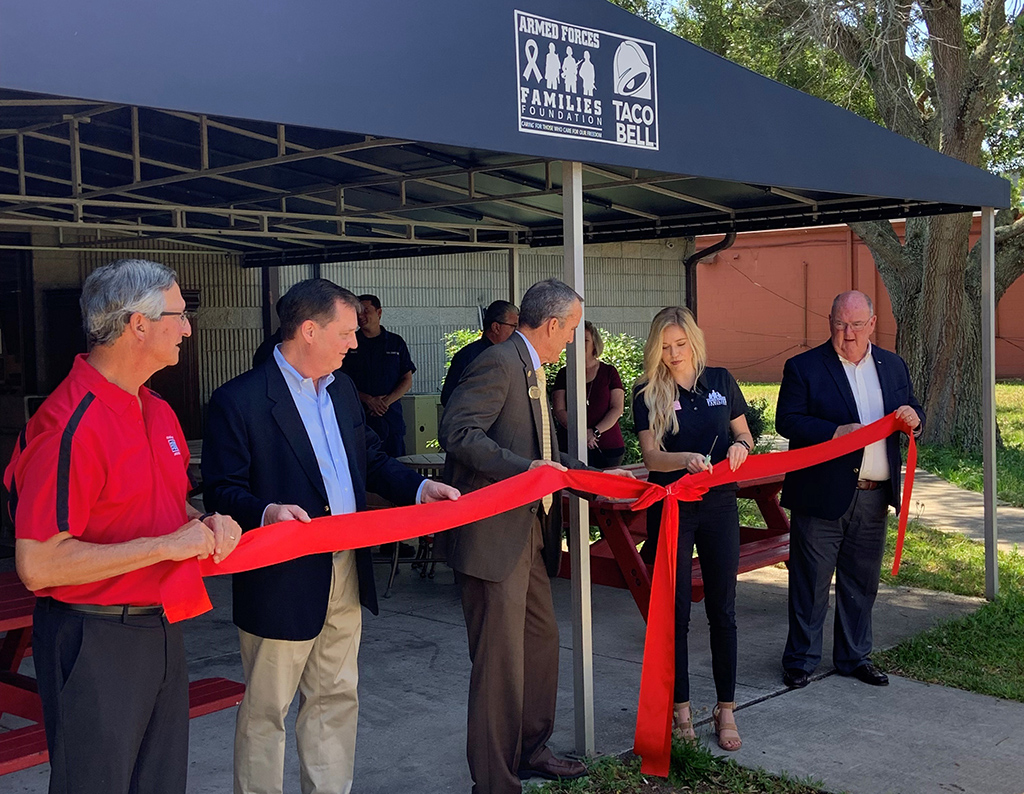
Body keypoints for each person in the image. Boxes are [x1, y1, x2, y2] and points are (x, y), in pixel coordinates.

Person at [202, 279, 459, 794]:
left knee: (336, 697)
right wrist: (266, 511)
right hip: (280, 576)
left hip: (345, 567)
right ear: (310, 330)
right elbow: (221, 492)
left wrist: (419, 485)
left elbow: (370, 457)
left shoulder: (340, 390)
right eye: (346, 332)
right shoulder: (240, 400)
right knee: (266, 710)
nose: (355, 343)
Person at [3, 258, 242, 794]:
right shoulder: (69, 425)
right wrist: (166, 545)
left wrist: (206, 522)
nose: (187, 327)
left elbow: (163, 508)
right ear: (138, 323)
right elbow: (39, 564)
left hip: (160, 626)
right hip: (93, 636)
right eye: (180, 315)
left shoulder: (157, 410)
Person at [441, 279, 631, 793]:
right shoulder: (499, 362)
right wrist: (527, 472)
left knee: (540, 646)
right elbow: (458, 433)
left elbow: (542, 451)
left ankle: (530, 750)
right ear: (552, 325)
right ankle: (495, 781)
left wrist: (592, 480)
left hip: (530, 533)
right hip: (491, 539)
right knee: (499, 665)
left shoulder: (530, 367)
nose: (573, 339)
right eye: (571, 330)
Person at [777, 290, 923, 690]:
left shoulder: (892, 366)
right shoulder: (804, 366)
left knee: (861, 583)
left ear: (872, 324)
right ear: (829, 322)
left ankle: (854, 657)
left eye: (857, 325)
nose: (848, 333)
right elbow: (786, 421)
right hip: (821, 493)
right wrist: (833, 433)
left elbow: (911, 408)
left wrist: (915, 418)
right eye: (840, 324)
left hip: (875, 494)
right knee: (811, 581)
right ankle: (800, 661)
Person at [633, 306, 753, 752]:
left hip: (720, 505)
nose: (673, 354)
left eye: (680, 345)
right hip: (673, 505)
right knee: (675, 613)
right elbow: (649, 457)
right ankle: (680, 708)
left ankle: (726, 708)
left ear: (694, 341)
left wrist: (741, 446)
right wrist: (684, 460)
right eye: (664, 347)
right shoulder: (647, 390)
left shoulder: (721, 380)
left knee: (723, 608)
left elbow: (745, 435)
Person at [341, 293, 416, 457]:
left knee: (396, 470)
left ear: (379, 312)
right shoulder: (349, 344)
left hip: (391, 419)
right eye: (358, 312)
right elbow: (341, 381)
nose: (361, 316)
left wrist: (385, 403)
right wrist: (369, 400)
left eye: (366, 310)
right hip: (361, 420)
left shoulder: (396, 342)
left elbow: (407, 379)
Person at [551, 320, 626, 469]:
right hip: (569, 446)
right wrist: (580, 433)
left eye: (585, 340)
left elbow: (617, 408)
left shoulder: (609, 372)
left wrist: (595, 432)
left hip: (608, 448)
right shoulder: (563, 374)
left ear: (594, 344)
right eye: (575, 339)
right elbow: (559, 410)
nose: (579, 344)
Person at [440, 300, 520, 407]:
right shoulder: (468, 356)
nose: (517, 331)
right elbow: (448, 397)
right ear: (496, 327)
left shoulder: (515, 354)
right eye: (513, 326)